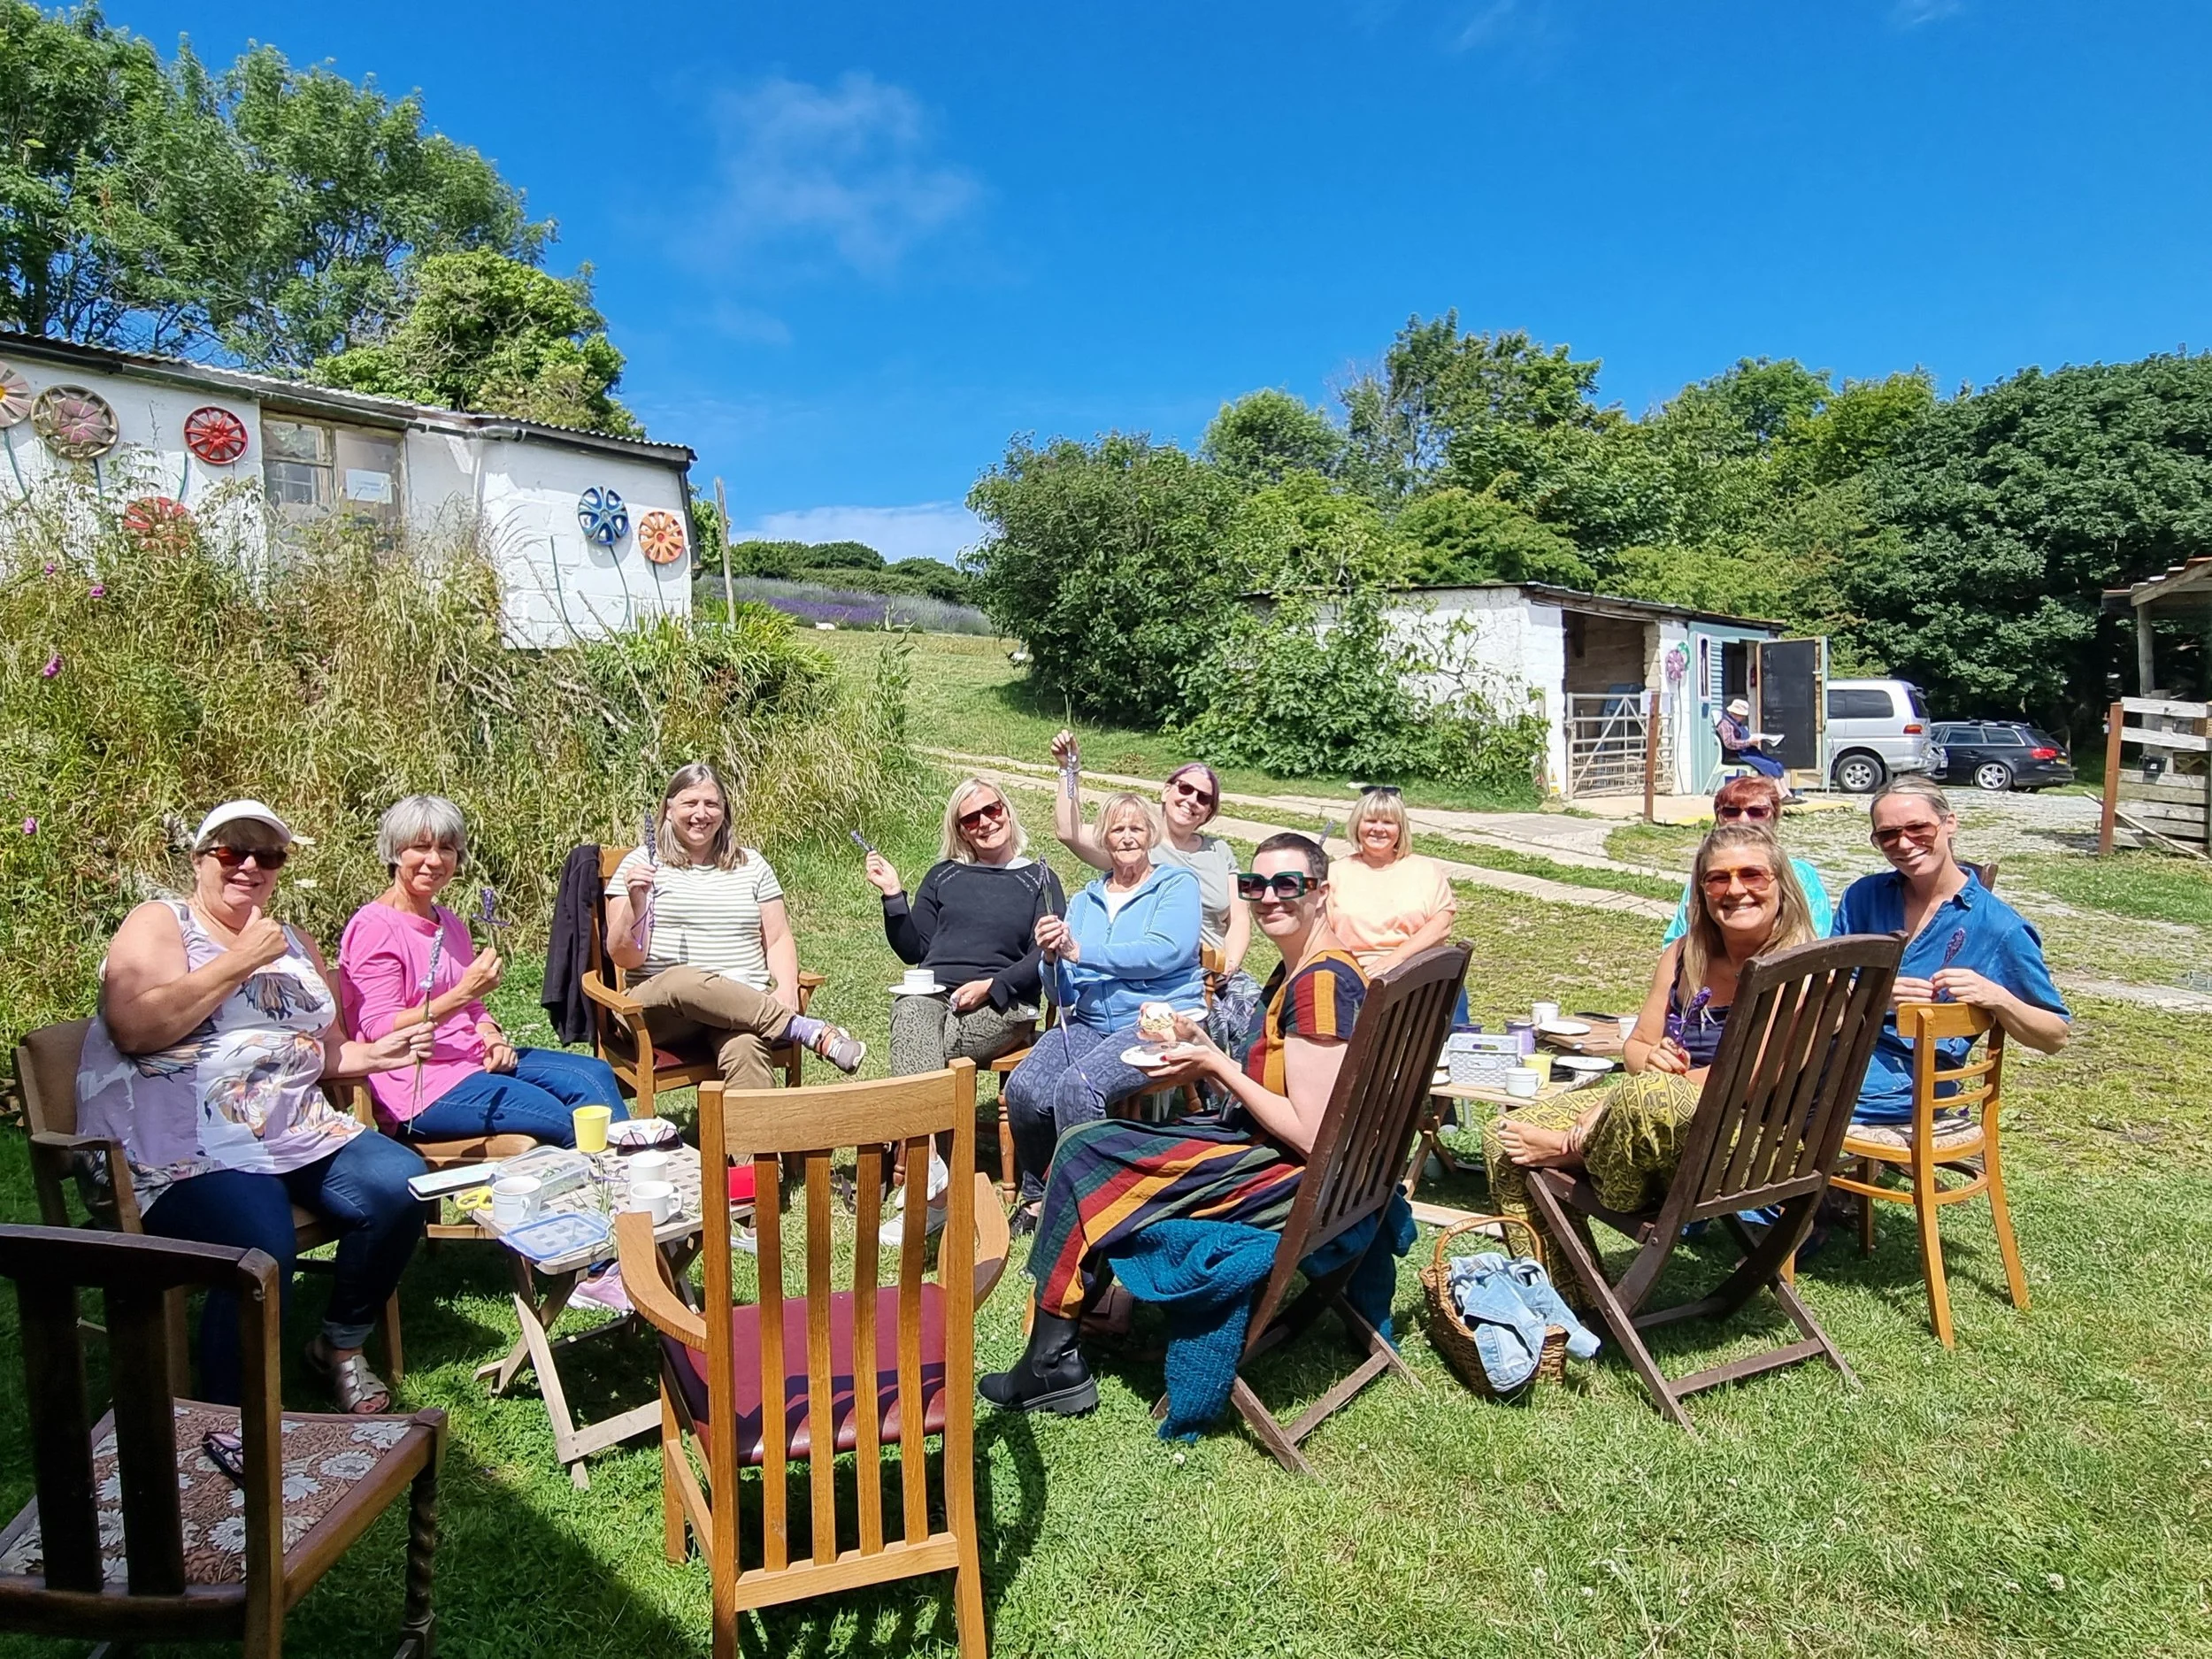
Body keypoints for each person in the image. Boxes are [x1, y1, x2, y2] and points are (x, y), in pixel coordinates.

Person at [980, 833, 1364, 1416]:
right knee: (1092, 1145)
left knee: (1086, 1151)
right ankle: (1070, 1335)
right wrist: (1211, 1047)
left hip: (1283, 1178)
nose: (1268, 898)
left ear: (1323, 891)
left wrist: (1214, 1065)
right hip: (1305, 1167)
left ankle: (1051, 1360)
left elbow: (1311, 1132)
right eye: (1254, 885)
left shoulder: (1320, 984)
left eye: (1288, 884)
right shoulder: (1316, 965)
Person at [75, 801, 434, 1412]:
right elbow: (135, 1028)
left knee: (403, 1184)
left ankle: (338, 1345)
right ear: (198, 858)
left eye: (266, 855)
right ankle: (231, 1422)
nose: (248, 865)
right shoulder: (160, 922)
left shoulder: (293, 940)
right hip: (181, 1146)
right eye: (229, 851)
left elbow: (323, 1051)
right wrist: (242, 957)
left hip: (288, 1130)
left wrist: (374, 1055)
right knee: (261, 1238)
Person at [1482, 824, 1819, 1241]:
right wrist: (1653, 1061)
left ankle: (1574, 1153)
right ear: (1701, 892)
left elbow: (1744, 1080)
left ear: (1781, 885)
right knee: (1505, 1140)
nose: (1735, 890)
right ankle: (1568, 1302)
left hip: (1753, 1148)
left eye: (1752, 874)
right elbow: (1635, 1048)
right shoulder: (1683, 954)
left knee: (1647, 1094)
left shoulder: (1803, 971)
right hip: (1653, 1126)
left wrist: (1610, 1104)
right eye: (1718, 878)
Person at [341, 794, 627, 1147]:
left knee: (593, 1074)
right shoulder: (375, 927)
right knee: (561, 1119)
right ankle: (599, 1189)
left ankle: (629, 1174)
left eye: (446, 848)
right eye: (420, 847)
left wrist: (491, 1037)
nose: (434, 860)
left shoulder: (448, 922)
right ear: (395, 852)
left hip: (472, 1059)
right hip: (419, 1085)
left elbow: (473, 1007)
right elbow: (379, 1028)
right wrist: (463, 992)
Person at [863, 778, 1064, 1240]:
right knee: (913, 1011)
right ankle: (933, 1165)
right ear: (961, 830)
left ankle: (928, 1186)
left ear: (1007, 811)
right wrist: (894, 896)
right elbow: (915, 949)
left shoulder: (1039, 877)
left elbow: (1043, 954)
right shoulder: (944, 875)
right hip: (933, 996)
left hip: (1002, 1004)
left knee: (920, 1043)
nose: (985, 823)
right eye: (970, 819)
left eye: (992, 810)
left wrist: (993, 985)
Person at [1001, 792, 1202, 1228]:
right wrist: (1052, 958)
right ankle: (1040, 1194)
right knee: (1025, 1089)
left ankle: (1095, 1209)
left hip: (1156, 1021)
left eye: (1136, 828)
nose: (1127, 837)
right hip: (1090, 1020)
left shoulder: (1175, 886)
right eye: (1117, 829)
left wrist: (1080, 950)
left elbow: (1164, 952)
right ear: (1104, 840)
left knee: (1079, 1086)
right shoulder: (1084, 900)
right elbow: (1061, 995)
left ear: (1151, 834)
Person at [1833, 777, 2070, 1141]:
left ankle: (1799, 1193)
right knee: (1755, 1073)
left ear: (1950, 823)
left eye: (1918, 828)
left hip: (1915, 1077)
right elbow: (1829, 986)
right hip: (1842, 1048)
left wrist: (1997, 997)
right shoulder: (1864, 897)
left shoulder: (1997, 926)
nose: (1904, 843)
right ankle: (1818, 1191)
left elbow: (2055, 1036)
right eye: (1888, 835)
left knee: (1784, 1093)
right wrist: (1873, 994)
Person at [603, 762, 864, 1090]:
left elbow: (779, 937)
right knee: (685, 979)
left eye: (711, 804)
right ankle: (804, 1030)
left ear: (724, 811)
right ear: (668, 810)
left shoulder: (751, 865)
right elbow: (625, 958)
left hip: (739, 1010)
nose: (702, 813)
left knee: (746, 1049)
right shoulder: (641, 866)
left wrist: (785, 987)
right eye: (690, 803)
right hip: (660, 1012)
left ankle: (755, 1141)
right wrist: (637, 903)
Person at [1048, 733, 1258, 1053]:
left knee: (1254, 1008)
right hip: (1155, 968)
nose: (1192, 800)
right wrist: (1069, 770)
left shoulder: (1220, 851)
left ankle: (1236, 1091)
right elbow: (1069, 831)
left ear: (1209, 812)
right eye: (1185, 789)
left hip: (1216, 967)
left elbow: (1240, 917)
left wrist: (1229, 964)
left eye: (1204, 798)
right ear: (1166, 790)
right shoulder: (1137, 840)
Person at [1662, 774, 1832, 944]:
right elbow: (1676, 940)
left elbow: (1816, 937)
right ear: (1718, 818)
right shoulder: (1706, 873)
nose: (1743, 820)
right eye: (1731, 812)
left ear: (1775, 817)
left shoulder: (1801, 875)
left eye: (1757, 812)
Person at [1326, 787, 1457, 975]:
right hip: (1354, 974)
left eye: (1388, 822)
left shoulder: (1425, 870)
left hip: (1416, 969)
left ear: (1400, 829)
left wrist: (1395, 960)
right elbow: (1322, 932)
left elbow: (1442, 925)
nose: (1378, 829)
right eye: (1370, 821)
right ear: (1357, 825)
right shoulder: (1335, 873)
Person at [1716, 696, 1787, 781]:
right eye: (1742, 715)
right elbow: (1730, 743)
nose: (1743, 718)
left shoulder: (1737, 724)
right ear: (1735, 713)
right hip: (1737, 754)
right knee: (1768, 765)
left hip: (1748, 751)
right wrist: (1749, 742)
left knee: (1777, 765)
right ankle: (1779, 792)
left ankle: (1784, 790)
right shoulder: (1726, 724)